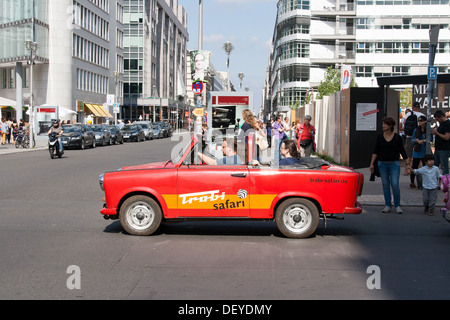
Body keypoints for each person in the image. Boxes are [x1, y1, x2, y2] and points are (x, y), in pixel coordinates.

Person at [370, 117, 410, 214]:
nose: (383, 126)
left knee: (395, 184)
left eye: (385, 124)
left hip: (394, 164)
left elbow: (402, 151)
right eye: (383, 124)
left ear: (391, 125)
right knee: (385, 185)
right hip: (382, 163)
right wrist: (371, 164)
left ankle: (397, 205)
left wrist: (407, 164)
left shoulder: (397, 137)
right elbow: (376, 151)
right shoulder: (380, 137)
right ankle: (387, 205)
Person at [410, 115, 432, 189]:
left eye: (421, 120)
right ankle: (412, 182)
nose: (419, 122)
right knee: (414, 166)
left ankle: (425, 183)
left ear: (425, 121)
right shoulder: (416, 130)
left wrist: (424, 140)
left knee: (426, 167)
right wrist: (416, 141)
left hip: (425, 151)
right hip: (417, 150)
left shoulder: (428, 130)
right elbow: (412, 140)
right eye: (418, 121)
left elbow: (430, 139)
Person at [432, 110, 450, 175]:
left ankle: (446, 182)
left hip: (444, 149)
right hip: (438, 148)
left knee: (444, 167)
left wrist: (437, 133)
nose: (438, 121)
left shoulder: (447, 124)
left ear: (441, 117)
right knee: (434, 166)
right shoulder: (442, 124)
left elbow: (447, 137)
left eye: (438, 119)